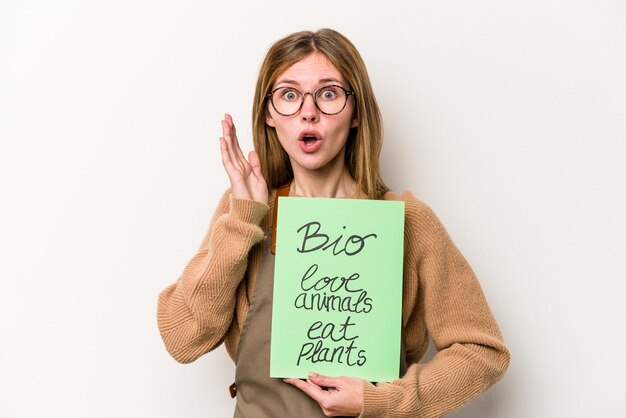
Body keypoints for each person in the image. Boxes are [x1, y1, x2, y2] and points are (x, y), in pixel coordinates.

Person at [157, 28, 510, 417]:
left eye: (328, 94)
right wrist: (243, 218)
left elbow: (482, 351)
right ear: (270, 114)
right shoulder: (246, 210)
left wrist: (382, 401)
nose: (309, 111)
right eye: (289, 95)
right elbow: (183, 338)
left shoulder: (409, 221)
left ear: (356, 112)